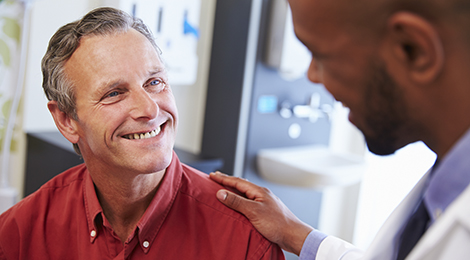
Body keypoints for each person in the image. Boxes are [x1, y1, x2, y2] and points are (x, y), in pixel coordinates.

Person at [0, 7, 284, 260]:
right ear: (66, 120)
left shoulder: (246, 239)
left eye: (155, 82)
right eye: (114, 93)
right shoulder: (18, 234)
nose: (149, 108)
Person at [209, 0, 470, 259]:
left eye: (320, 55)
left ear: (414, 50)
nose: (312, 76)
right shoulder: (445, 188)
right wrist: (294, 233)